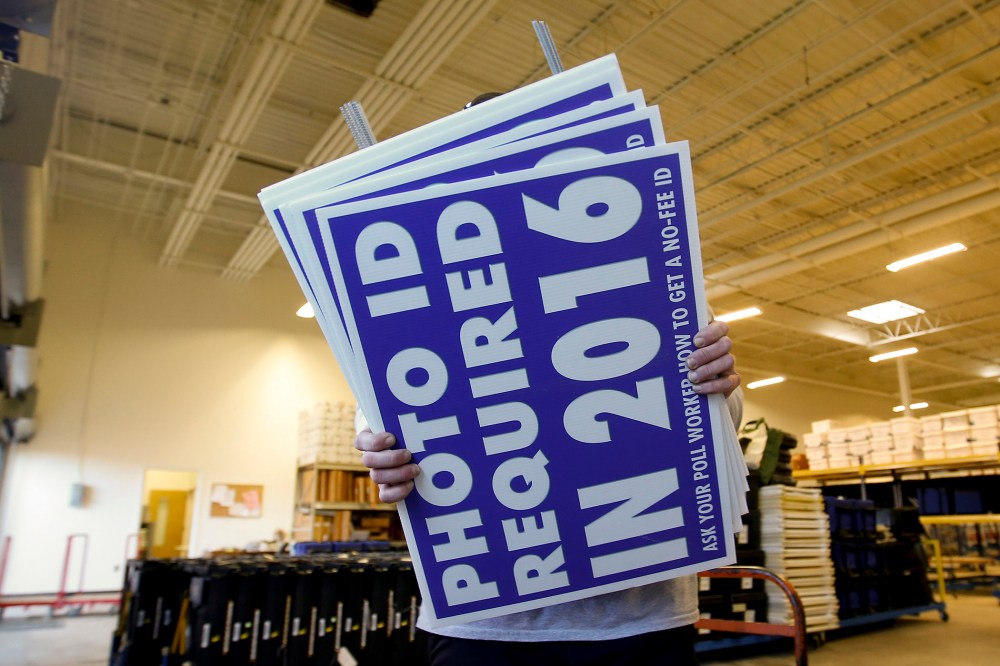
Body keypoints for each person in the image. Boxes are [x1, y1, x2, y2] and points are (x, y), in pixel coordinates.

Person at [355, 318, 742, 666]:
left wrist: (720, 384)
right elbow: (373, 409)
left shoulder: (653, 252)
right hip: (485, 619)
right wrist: (377, 448)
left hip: (641, 615)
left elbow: (726, 415)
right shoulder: (420, 261)